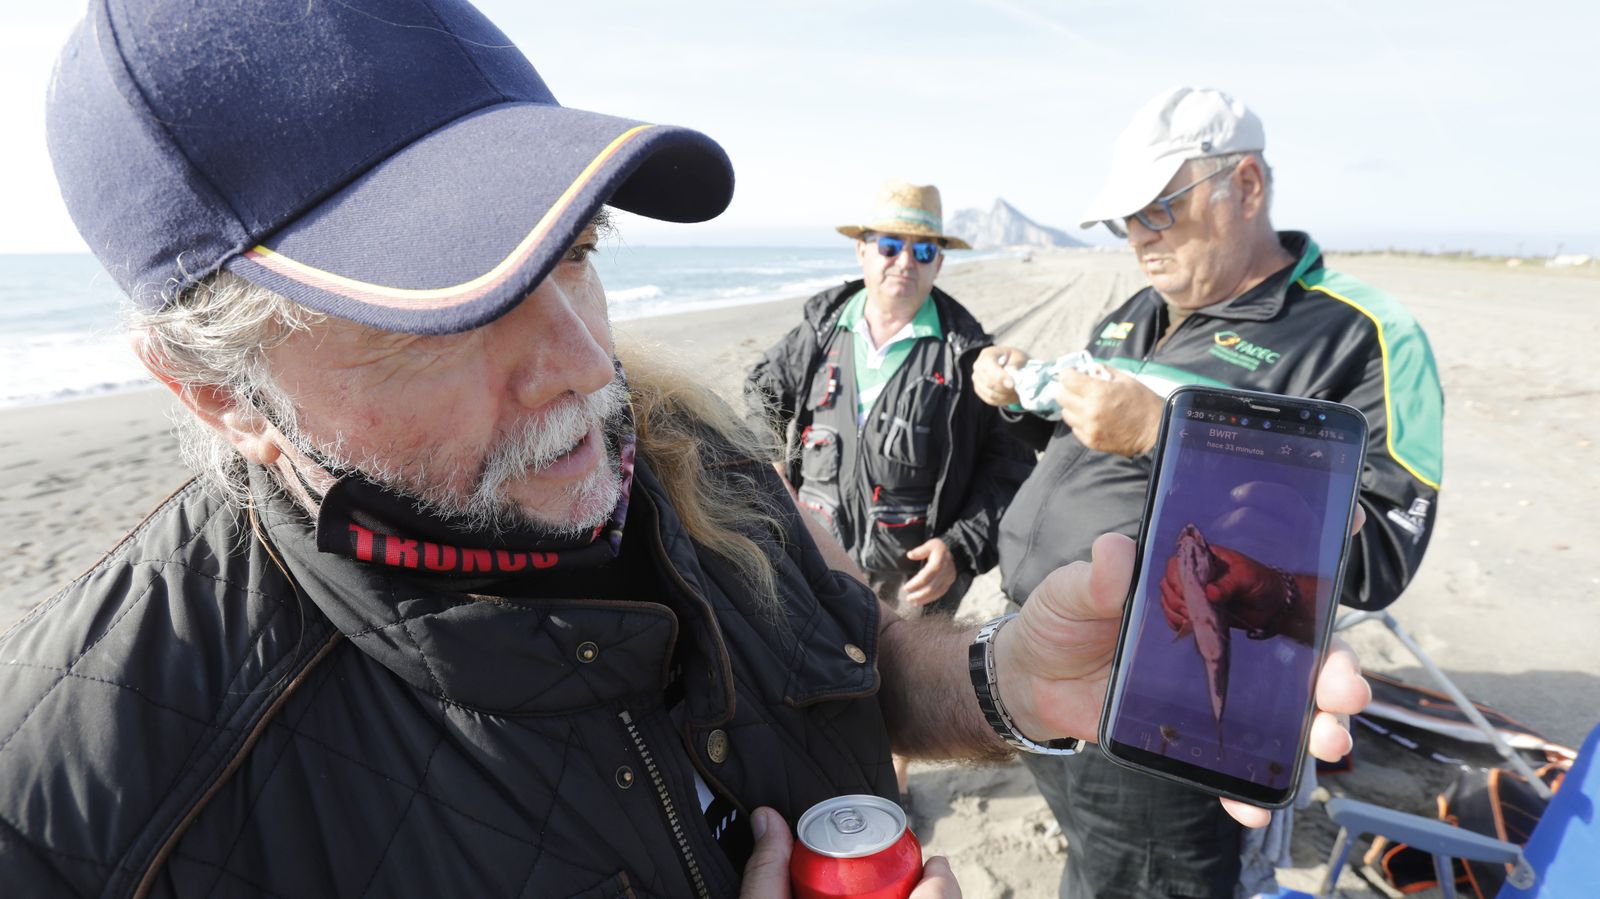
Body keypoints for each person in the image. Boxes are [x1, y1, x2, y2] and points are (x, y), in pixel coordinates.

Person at [0, 6, 1369, 892]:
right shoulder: (89, 808)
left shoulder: (685, 450)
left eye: (574, 252)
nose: (585, 366)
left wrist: (1004, 677)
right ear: (216, 388)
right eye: (444, 313)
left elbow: (846, 665)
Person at [973, 86, 1444, 898]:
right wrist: (1023, 399)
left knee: (1147, 878)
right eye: (1125, 220)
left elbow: (1380, 550)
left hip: (1161, 685)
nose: (1140, 238)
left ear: (1246, 185)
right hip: (1043, 646)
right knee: (1091, 860)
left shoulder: (1362, 334)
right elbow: (1083, 454)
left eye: (1160, 208)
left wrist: (1161, 433)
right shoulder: (1140, 309)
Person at [745, 180, 1033, 619]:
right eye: (890, 246)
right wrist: (768, 457)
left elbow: (1009, 470)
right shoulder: (820, 331)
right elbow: (761, 389)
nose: (904, 262)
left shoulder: (967, 356)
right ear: (862, 250)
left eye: (923, 251)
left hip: (910, 594)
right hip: (817, 569)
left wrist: (959, 548)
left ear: (938, 262)